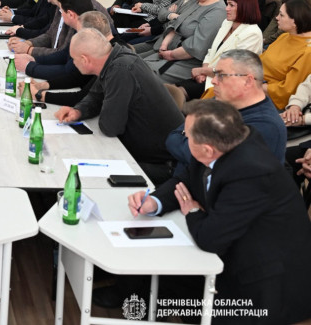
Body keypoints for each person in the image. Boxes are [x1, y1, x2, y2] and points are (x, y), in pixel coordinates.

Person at [130, 99, 311, 325]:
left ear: (207, 149)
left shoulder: (251, 173)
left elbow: (210, 239)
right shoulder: (225, 142)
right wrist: (154, 201)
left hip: (265, 285)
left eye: (187, 136)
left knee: (175, 289)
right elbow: (186, 178)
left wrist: (193, 210)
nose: (183, 139)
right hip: (233, 252)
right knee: (157, 277)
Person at [54, 28, 183, 185]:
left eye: (74, 59)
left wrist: (104, 106)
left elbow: (110, 127)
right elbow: (95, 96)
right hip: (142, 152)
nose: (73, 63)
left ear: (84, 59)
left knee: (80, 176)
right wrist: (78, 111)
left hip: (161, 166)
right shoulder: (114, 59)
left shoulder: (121, 69)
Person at [166, 50, 286, 175]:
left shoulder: (266, 126)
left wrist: (187, 137)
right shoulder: (221, 101)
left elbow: (202, 159)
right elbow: (172, 138)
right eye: (215, 75)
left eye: (221, 75)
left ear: (248, 81)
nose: (213, 81)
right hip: (181, 176)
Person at [168, 0, 263, 103]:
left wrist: (204, 71)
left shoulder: (252, 34)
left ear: (245, 7)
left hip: (226, 84)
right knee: (170, 90)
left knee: (175, 95)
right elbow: (211, 52)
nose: (226, 8)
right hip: (209, 76)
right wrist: (203, 71)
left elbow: (235, 69)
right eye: (227, 4)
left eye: (231, 5)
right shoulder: (227, 23)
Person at [21, 11, 128, 107]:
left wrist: (38, 95)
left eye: (80, 34)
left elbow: (84, 97)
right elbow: (77, 77)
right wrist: (42, 85)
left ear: (93, 36)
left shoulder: (112, 58)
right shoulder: (108, 47)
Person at [140, 0, 226, 83]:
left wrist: (170, 54)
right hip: (168, 51)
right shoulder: (194, 1)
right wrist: (165, 44)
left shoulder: (217, 12)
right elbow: (176, 23)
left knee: (140, 73)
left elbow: (195, 47)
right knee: (133, 65)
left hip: (186, 61)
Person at [259, 0, 311, 109]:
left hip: (267, 97)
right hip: (255, 81)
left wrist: (253, 86)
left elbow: (287, 91)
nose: (277, 18)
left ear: (295, 21)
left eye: (281, 15)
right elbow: (261, 60)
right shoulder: (285, 36)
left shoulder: (308, 52)